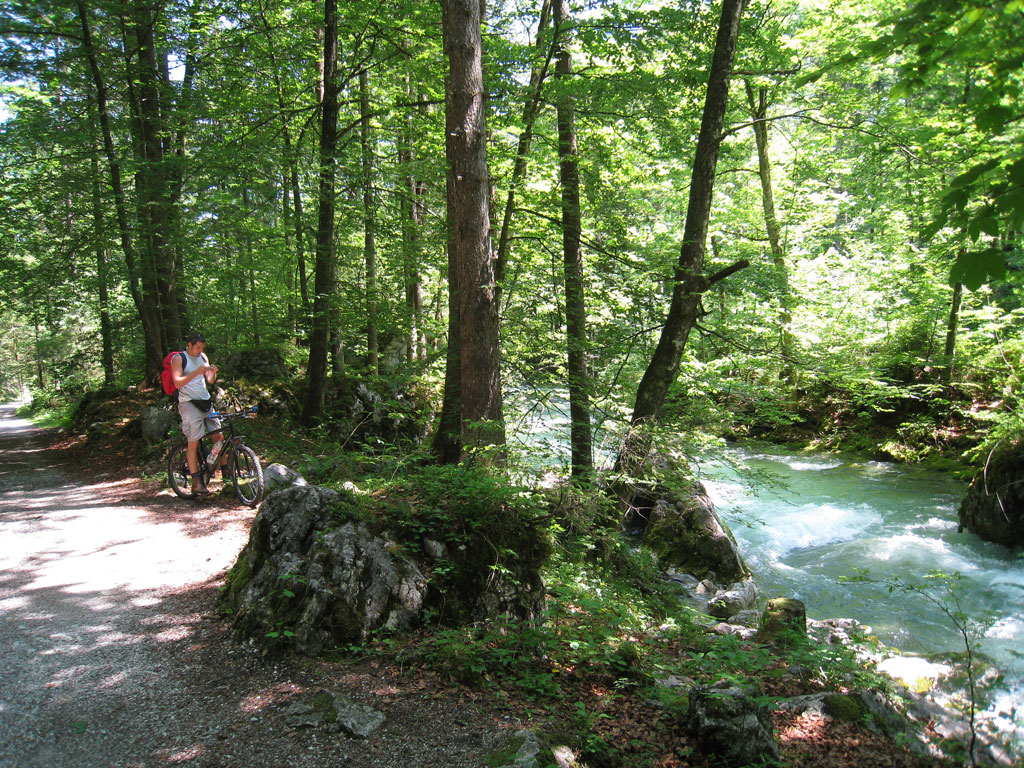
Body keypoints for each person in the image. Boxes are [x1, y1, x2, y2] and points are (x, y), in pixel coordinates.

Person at [171, 332, 226, 496]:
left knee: (219, 437)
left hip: (205, 401)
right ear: (190, 345)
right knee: (193, 442)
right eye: (198, 347)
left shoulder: (202, 357)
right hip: (188, 403)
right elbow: (177, 382)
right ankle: (196, 482)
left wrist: (212, 372)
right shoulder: (179, 358)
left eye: (202, 348)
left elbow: (209, 380)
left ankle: (227, 473)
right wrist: (195, 372)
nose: (201, 350)